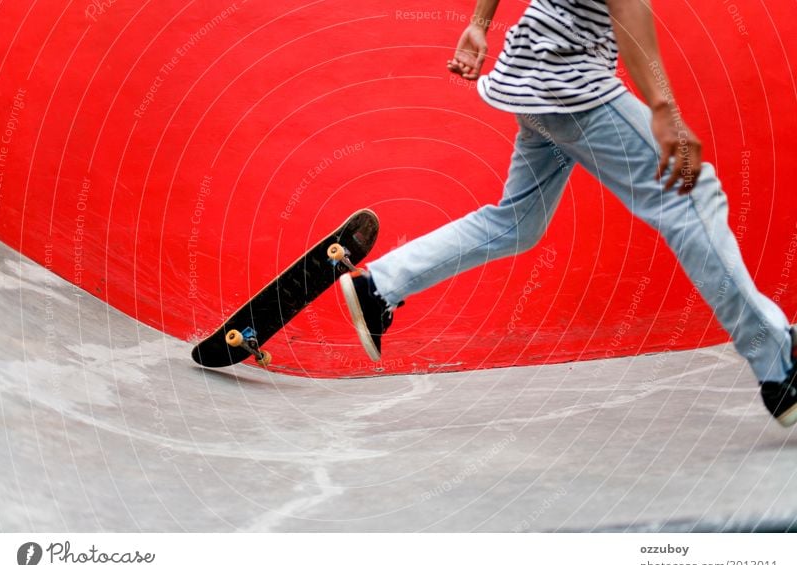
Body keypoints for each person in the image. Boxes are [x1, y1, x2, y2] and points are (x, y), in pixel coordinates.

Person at [338, 0, 797, 427]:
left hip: (535, 75)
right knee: (691, 196)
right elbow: (627, 5)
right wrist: (664, 110)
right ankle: (776, 360)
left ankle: (380, 285)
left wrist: (480, 24)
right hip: (570, 79)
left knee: (518, 222)